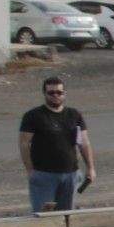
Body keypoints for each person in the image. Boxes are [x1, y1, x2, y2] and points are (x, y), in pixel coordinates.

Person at [18, 76, 93, 215]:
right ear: (44, 94)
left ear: (64, 93)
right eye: (51, 93)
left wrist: (90, 168)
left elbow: (84, 142)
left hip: (70, 174)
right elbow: (23, 143)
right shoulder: (33, 116)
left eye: (59, 92)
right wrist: (30, 170)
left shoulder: (74, 114)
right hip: (44, 175)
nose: (56, 96)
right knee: (42, 216)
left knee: (65, 216)